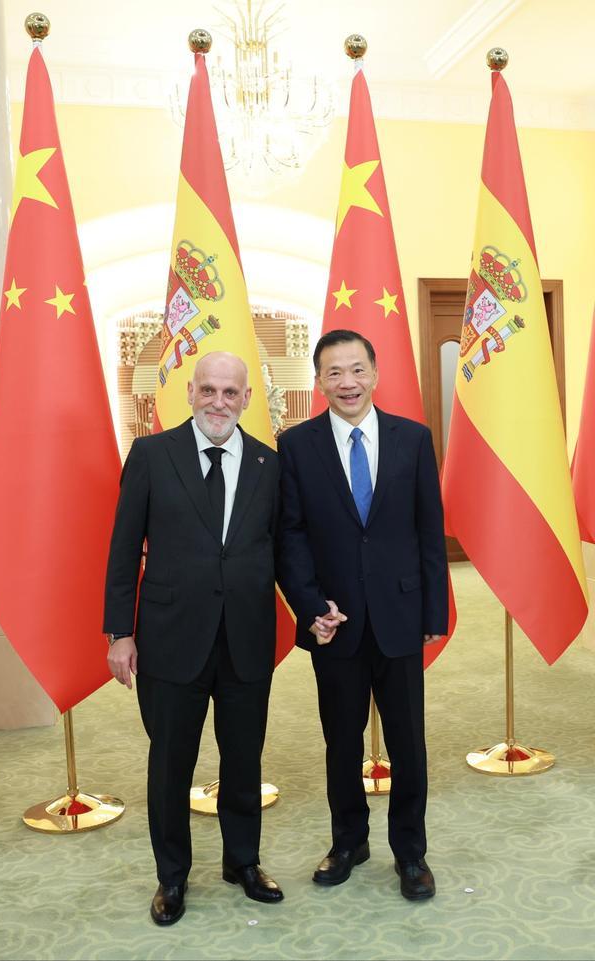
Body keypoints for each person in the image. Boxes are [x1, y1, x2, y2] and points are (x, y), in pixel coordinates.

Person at [104, 351, 283, 926]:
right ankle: (172, 876)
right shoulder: (151, 455)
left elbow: (284, 550)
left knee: (244, 759)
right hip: (170, 639)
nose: (218, 402)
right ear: (190, 392)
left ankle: (243, 862)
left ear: (247, 399)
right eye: (208, 390)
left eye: (230, 393)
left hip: (246, 638)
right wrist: (120, 632)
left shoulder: (268, 463)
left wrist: (314, 608)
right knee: (170, 764)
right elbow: (123, 549)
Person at [277, 329, 447, 901]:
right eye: (334, 372)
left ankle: (411, 853)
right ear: (319, 381)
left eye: (356, 370)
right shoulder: (296, 446)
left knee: (408, 742)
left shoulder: (413, 439)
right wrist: (310, 607)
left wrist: (433, 608)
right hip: (335, 622)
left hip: (401, 615)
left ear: (375, 374)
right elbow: (291, 536)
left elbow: (428, 530)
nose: (347, 382)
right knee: (342, 741)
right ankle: (349, 842)